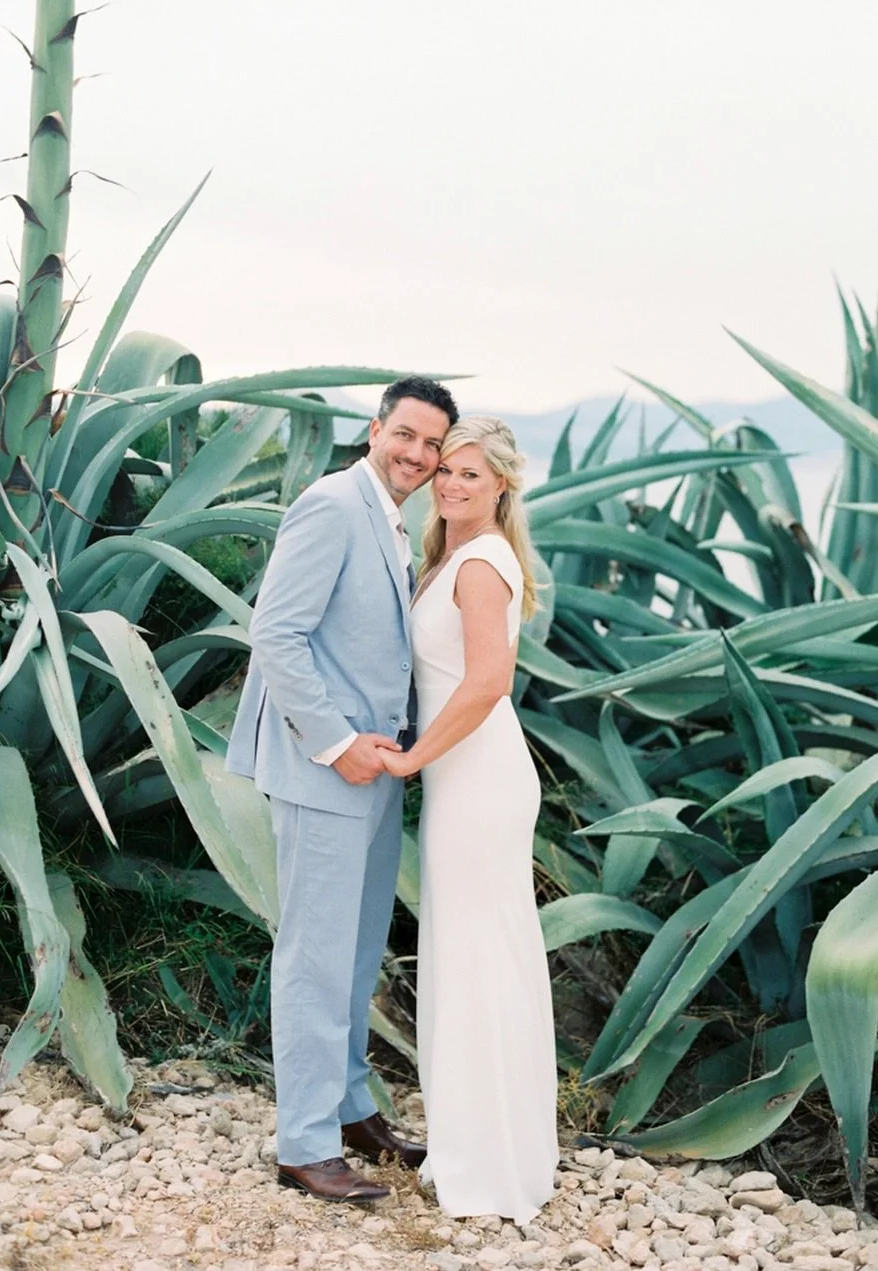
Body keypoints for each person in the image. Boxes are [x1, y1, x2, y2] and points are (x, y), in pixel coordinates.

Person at [226, 375, 459, 1203]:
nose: (418, 454)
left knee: (358, 951)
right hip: (326, 768)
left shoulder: (395, 520)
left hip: (377, 769)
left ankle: (353, 1108)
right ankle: (304, 1143)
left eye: (432, 444)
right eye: (406, 435)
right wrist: (334, 743)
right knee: (316, 956)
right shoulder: (332, 504)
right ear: (375, 428)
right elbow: (276, 634)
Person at [380, 416, 559, 1225]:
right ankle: (491, 1148)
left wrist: (413, 759)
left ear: (502, 487)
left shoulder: (482, 563)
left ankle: (488, 1169)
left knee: (478, 961)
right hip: (467, 777)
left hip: (478, 779)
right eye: (445, 469)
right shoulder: (455, 553)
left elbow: (489, 680)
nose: (449, 483)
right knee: (477, 958)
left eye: (470, 475)